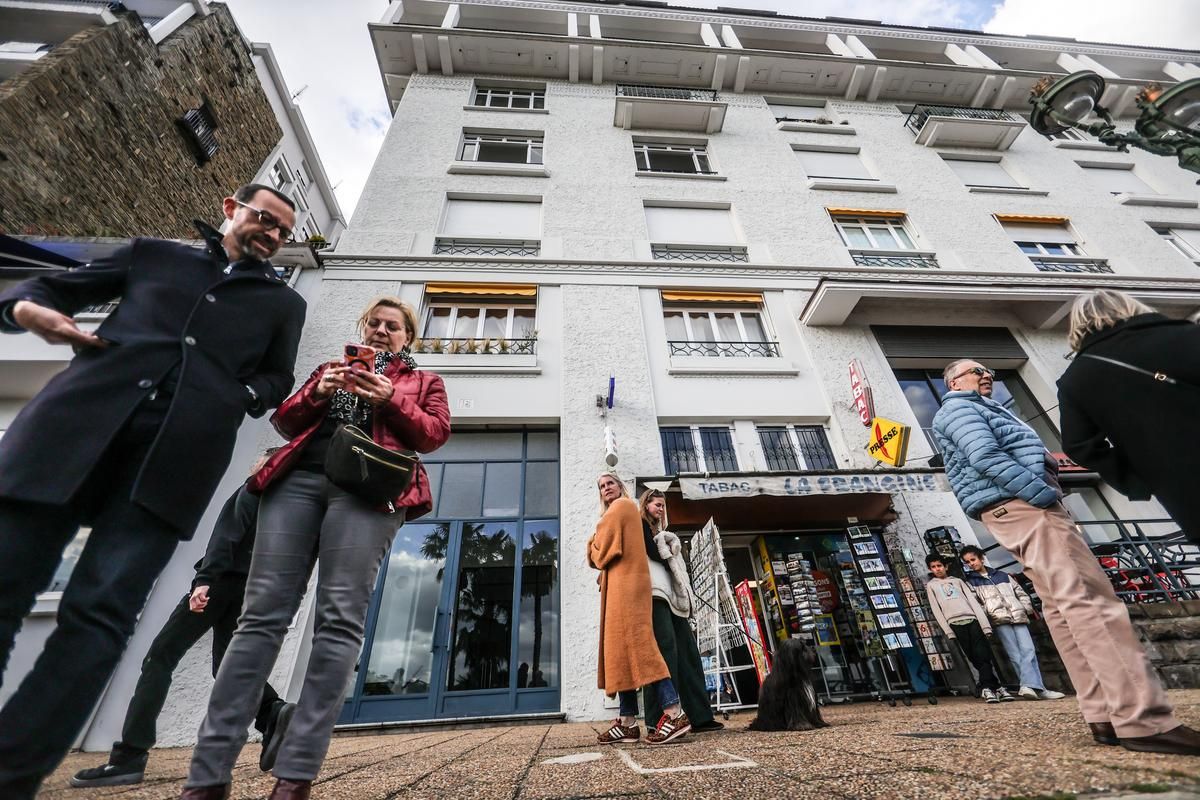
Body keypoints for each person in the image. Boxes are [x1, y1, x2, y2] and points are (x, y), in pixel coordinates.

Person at [0, 184, 307, 799]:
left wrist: (240, 397)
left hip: (176, 463)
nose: (272, 235)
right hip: (66, 434)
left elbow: (277, 377)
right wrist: (28, 311)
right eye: (264, 219)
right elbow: (51, 288)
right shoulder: (153, 256)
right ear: (231, 209)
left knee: (101, 614)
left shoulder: (282, 304)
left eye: (282, 231)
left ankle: (12, 774)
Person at [181, 297, 450, 800]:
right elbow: (284, 421)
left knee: (340, 618)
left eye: (393, 326)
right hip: (297, 483)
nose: (381, 331)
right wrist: (320, 391)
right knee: (260, 619)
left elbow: (434, 434)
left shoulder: (424, 382)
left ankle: (296, 775)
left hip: (369, 492)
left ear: (408, 338)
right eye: (374, 323)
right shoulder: (330, 369)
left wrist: (390, 398)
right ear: (362, 328)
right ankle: (207, 775)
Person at [933, 357, 1200, 754]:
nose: (987, 375)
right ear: (955, 382)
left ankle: (1105, 714)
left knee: (1062, 607)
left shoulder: (975, 408)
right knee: (1090, 602)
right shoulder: (960, 408)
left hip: (1012, 510)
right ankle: (1144, 720)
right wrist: (1039, 493)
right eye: (978, 371)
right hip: (1027, 508)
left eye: (990, 370)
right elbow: (985, 456)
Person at [71, 449, 292, 789]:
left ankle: (128, 756)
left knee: (160, 657)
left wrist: (204, 580)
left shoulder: (253, 489)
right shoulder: (288, 504)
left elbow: (226, 536)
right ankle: (273, 711)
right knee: (228, 667)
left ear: (265, 464)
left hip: (219, 583)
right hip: (251, 590)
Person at [1058, 289, 1200, 545]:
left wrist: (1139, 479)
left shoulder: (1076, 379)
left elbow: (1078, 446)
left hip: (1189, 493)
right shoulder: (1186, 335)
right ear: (1132, 306)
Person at [589, 474, 690, 746]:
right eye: (601, 486)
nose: (606, 487)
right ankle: (628, 722)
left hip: (627, 587)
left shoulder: (621, 507)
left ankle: (674, 712)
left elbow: (599, 553)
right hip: (621, 586)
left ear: (620, 486)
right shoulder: (621, 511)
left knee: (640, 646)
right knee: (620, 651)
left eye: (610, 482)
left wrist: (592, 544)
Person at [637, 489, 723, 733]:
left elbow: (669, 561)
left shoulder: (663, 533)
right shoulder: (640, 525)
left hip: (674, 597)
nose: (661, 508)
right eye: (656, 504)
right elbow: (652, 553)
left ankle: (701, 716)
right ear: (645, 505)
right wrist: (670, 551)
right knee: (662, 655)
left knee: (688, 655)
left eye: (663, 505)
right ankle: (657, 720)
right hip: (653, 595)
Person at [959, 545, 1065, 702]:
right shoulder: (971, 582)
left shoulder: (1002, 575)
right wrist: (989, 613)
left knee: (1029, 650)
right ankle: (1037, 689)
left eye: (973, 559)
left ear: (981, 558)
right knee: (1015, 654)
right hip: (999, 619)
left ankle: (1030, 686)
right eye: (967, 562)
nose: (971, 564)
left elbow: (1020, 592)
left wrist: (1025, 608)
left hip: (1018, 615)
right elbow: (976, 603)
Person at [923, 553, 1008, 703]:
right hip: (954, 623)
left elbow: (973, 603)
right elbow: (936, 610)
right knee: (972, 656)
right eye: (933, 567)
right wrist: (948, 630)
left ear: (945, 566)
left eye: (939, 566)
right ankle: (996, 686)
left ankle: (987, 688)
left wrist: (985, 625)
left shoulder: (958, 582)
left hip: (972, 620)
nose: (937, 569)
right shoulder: (931, 586)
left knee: (982, 653)